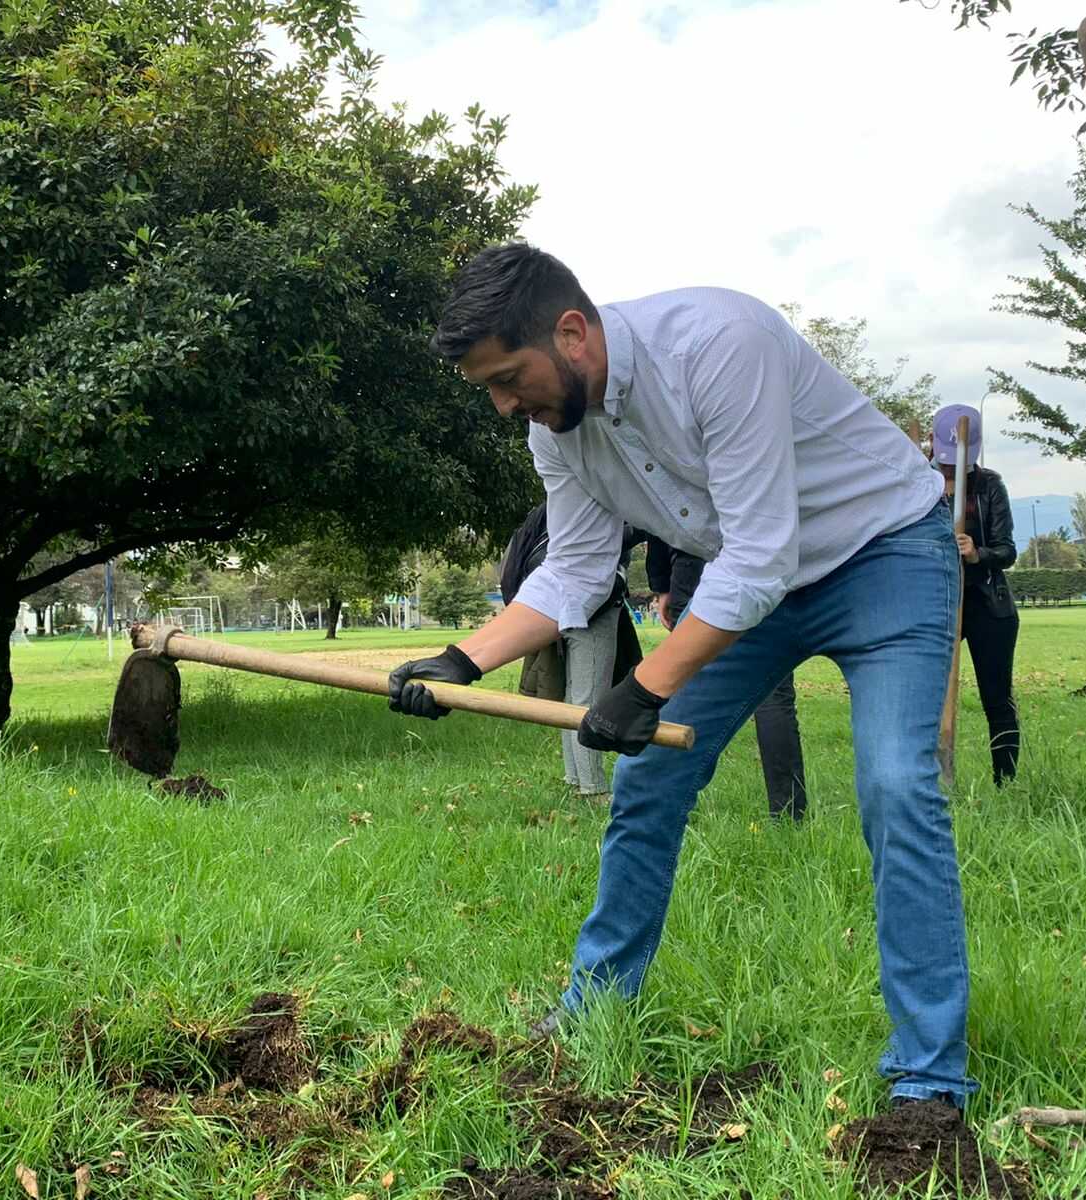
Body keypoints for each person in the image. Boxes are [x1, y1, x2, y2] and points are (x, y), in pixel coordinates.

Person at [387, 243, 974, 1110]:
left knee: (895, 784)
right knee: (650, 780)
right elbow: (575, 569)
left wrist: (644, 687)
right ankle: (594, 1010)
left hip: (883, 555)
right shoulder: (557, 432)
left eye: (509, 378)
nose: (506, 404)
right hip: (752, 583)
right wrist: (462, 660)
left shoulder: (717, 343)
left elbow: (761, 554)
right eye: (490, 390)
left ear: (572, 333)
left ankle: (928, 1076)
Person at [646, 535, 809, 821]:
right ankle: (788, 809)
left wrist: (661, 583)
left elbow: (662, 520)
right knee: (774, 696)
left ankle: (667, 807)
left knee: (689, 694)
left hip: (696, 566)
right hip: (756, 564)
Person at [500, 505, 642, 800]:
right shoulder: (604, 498)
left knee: (574, 696)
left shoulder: (556, 505)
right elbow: (605, 539)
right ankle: (593, 788)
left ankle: (575, 777)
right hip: (593, 607)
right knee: (588, 701)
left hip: (560, 604)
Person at [932, 404, 1020, 785]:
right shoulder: (919, 483)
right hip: (937, 604)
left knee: (997, 699)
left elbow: (1008, 550)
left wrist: (977, 553)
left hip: (987, 604)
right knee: (929, 699)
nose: (951, 468)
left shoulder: (989, 486)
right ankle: (932, 781)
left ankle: (1006, 782)